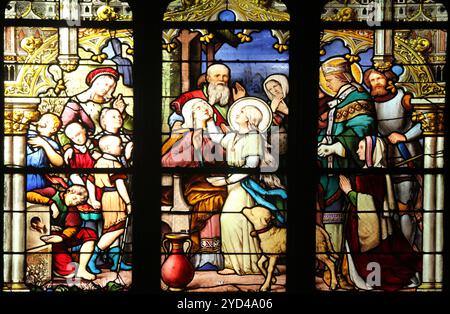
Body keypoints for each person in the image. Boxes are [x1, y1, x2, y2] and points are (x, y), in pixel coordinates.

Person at [207, 97, 286, 275]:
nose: (237, 113)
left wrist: (226, 180)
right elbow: (217, 138)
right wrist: (209, 118)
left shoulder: (254, 137)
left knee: (230, 219)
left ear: (249, 118)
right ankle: (233, 263)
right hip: (233, 185)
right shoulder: (234, 135)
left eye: (242, 112)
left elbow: (251, 166)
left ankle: (244, 264)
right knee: (235, 221)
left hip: (243, 186)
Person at [317, 56, 376, 288]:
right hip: (329, 167)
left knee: (338, 217)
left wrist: (337, 146)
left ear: (341, 77)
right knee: (328, 215)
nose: (327, 84)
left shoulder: (358, 98)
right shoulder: (339, 99)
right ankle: (330, 264)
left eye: (329, 79)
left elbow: (364, 128)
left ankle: (340, 269)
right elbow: (330, 132)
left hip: (347, 169)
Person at [338, 136, 421, 291]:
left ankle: (379, 281)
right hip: (366, 221)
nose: (357, 151)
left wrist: (349, 192)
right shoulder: (372, 173)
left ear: (371, 151)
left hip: (370, 224)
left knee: (380, 258)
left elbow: (371, 203)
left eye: (362, 147)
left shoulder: (373, 175)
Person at [161, 98, 226, 270]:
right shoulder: (186, 135)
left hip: (215, 181)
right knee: (216, 194)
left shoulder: (217, 136)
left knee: (219, 192)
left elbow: (227, 160)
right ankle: (201, 255)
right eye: (198, 107)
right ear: (191, 114)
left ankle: (211, 256)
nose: (204, 108)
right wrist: (193, 149)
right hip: (189, 185)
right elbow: (166, 161)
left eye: (206, 105)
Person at [364, 68, 423, 248]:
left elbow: (427, 120)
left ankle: (408, 252)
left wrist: (405, 136)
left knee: (404, 207)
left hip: (406, 156)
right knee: (391, 211)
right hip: (384, 159)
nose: (376, 83)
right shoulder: (370, 103)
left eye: (379, 78)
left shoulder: (403, 98)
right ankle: (398, 253)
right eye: (372, 80)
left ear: (389, 78)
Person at [88, 135, 132, 274]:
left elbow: (90, 180)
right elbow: (120, 186)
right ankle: (91, 259)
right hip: (115, 197)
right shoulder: (114, 164)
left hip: (106, 197)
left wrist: (93, 198)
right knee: (117, 229)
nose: (121, 147)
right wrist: (128, 202)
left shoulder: (99, 162)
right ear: (107, 148)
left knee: (113, 231)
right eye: (119, 145)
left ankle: (115, 262)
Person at [59, 67, 133, 146]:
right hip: (92, 146)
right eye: (105, 84)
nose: (107, 88)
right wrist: (67, 147)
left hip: (116, 144)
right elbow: (62, 129)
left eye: (111, 86)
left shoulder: (114, 102)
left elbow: (131, 127)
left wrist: (122, 113)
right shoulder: (76, 102)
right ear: (96, 83)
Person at [39, 185, 98, 281]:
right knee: (69, 271)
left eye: (78, 202)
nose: (74, 202)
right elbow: (29, 195)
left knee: (89, 233)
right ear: (68, 192)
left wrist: (62, 237)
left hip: (61, 237)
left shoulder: (72, 209)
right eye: (74, 198)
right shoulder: (52, 192)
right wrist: (51, 203)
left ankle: (82, 269)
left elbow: (73, 227)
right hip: (44, 232)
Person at [169, 63, 246, 132]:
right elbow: (177, 117)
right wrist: (177, 123)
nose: (221, 79)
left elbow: (241, 122)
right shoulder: (191, 96)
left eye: (225, 76)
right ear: (208, 78)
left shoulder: (232, 99)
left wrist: (239, 102)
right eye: (217, 75)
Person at [64, 122, 101, 213]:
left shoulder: (96, 144)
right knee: (73, 175)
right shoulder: (72, 151)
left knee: (90, 178)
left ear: (85, 131)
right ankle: (86, 197)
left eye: (78, 134)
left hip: (95, 179)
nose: (77, 139)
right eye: (72, 138)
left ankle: (92, 198)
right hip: (78, 182)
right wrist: (68, 149)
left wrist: (99, 156)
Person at [26, 113, 64, 199]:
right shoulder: (29, 134)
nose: (42, 122)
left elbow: (59, 162)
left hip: (37, 178)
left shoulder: (51, 144)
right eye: (41, 120)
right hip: (21, 173)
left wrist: (44, 144)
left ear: (53, 129)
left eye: (46, 122)